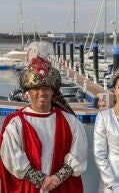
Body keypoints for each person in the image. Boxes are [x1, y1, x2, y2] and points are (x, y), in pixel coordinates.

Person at [0, 46, 87, 193]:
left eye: (46, 88)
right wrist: (42, 180)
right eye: (36, 88)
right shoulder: (15, 123)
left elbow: (79, 153)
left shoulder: (70, 122)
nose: (42, 93)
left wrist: (56, 179)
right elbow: (11, 159)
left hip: (61, 188)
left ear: (53, 90)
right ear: (28, 91)